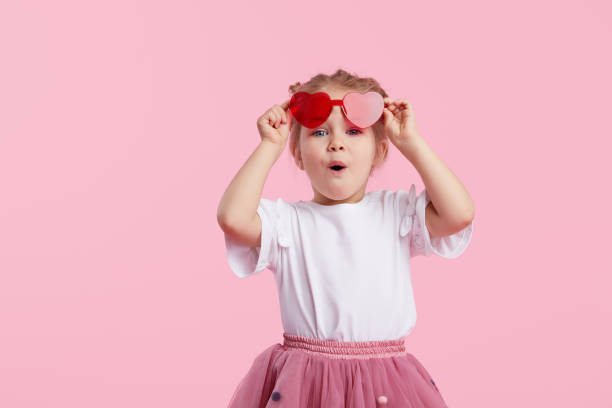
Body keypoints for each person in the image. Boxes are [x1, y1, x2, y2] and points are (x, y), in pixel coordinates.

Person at [217, 68, 475, 407]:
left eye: (354, 131)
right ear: (297, 154)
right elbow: (232, 218)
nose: (336, 142)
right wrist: (269, 144)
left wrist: (412, 144)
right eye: (319, 132)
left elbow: (459, 215)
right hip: (305, 384)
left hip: (386, 382)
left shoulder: (395, 213)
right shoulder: (288, 223)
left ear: (379, 152)